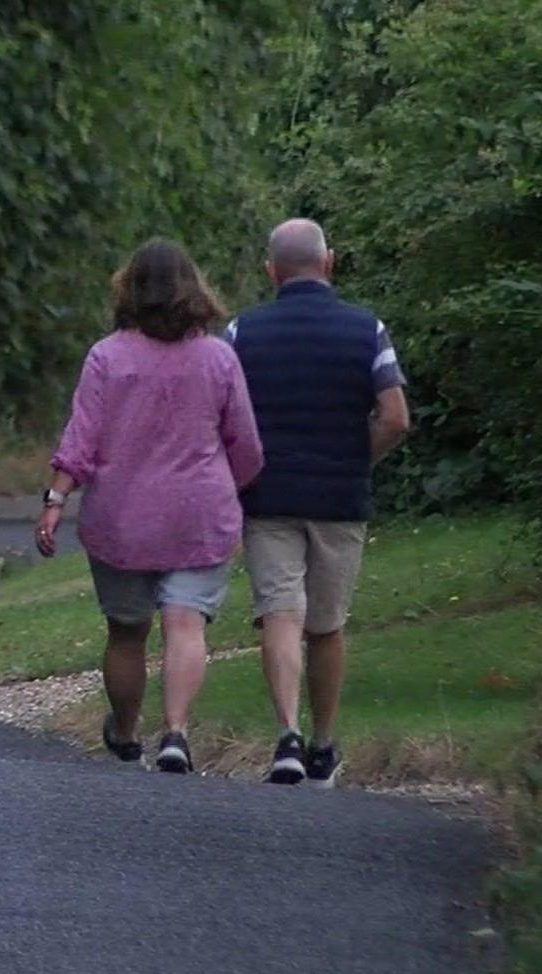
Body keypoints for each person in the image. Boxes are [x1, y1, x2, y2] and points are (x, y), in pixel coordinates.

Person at [36, 240, 263, 774]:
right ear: (194, 288)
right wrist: (233, 486)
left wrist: (54, 501)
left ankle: (127, 734)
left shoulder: (107, 357)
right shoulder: (218, 357)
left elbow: (81, 439)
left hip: (122, 518)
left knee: (126, 630)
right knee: (186, 623)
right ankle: (177, 733)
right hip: (197, 514)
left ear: (128, 288)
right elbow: (245, 444)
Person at [224, 219, 411, 788]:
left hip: (268, 494)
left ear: (270, 271)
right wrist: (360, 458)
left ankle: (287, 735)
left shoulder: (241, 333)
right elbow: (397, 417)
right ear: (328, 263)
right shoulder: (365, 330)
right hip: (339, 495)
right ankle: (324, 744)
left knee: (280, 614)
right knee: (326, 626)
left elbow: (223, 416)